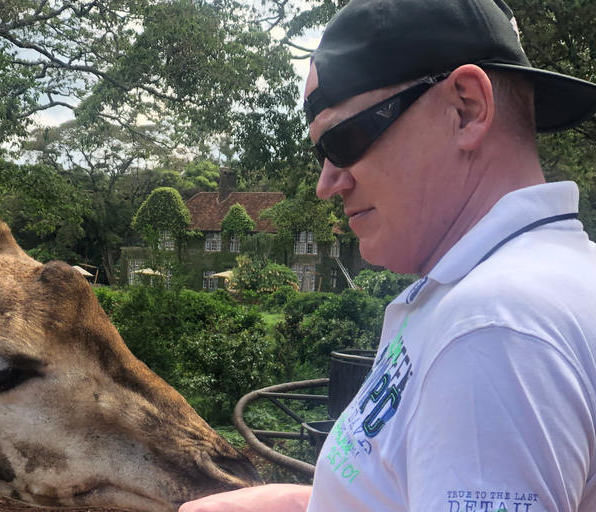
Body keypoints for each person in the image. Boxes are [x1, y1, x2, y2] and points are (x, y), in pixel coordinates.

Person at [180, 0, 596, 510]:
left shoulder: (492, 329)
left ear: (466, 109)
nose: (326, 183)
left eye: (346, 138)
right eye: (321, 153)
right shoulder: (510, 288)